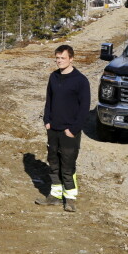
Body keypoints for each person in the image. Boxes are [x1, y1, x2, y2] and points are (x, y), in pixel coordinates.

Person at [36, 44, 91, 212]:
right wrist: (47, 121)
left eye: (63, 58)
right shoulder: (53, 77)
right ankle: (55, 195)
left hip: (69, 131)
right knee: (53, 163)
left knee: (68, 165)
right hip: (53, 129)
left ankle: (70, 198)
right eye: (57, 58)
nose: (59, 61)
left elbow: (84, 108)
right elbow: (49, 101)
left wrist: (73, 129)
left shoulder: (81, 81)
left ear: (71, 59)